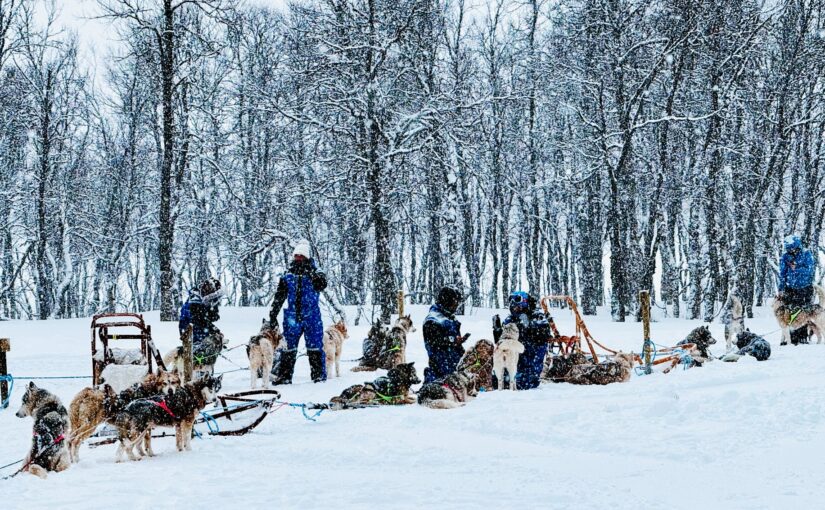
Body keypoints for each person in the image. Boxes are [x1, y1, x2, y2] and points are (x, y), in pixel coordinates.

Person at [268, 239, 328, 384]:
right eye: (296, 256)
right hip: (292, 316)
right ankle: (284, 376)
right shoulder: (287, 275)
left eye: (301, 256)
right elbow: (280, 295)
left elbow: (322, 285)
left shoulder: (316, 273)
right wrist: (273, 313)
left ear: (307, 257)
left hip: (312, 316)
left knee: (315, 347)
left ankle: (318, 376)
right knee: (288, 348)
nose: (298, 258)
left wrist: (313, 274)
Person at [495, 291, 551, 390]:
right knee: (496, 380)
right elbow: (501, 343)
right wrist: (497, 331)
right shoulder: (510, 320)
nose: (514, 305)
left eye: (517, 300)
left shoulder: (538, 316)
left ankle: (528, 377)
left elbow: (543, 338)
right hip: (513, 360)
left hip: (532, 360)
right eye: (511, 301)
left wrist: (529, 327)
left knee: (523, 383)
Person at [422, 285, 468, 384]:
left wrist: (465, 355)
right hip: (441, 366)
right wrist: (452, 341)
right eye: (455, 302)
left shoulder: (450, 318)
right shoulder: (433, 319)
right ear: (447, 301)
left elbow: (455, 341)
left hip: (454, 363)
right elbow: (433, 341)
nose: (457, 305)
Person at [778, 235, 816, 345]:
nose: (790, 251)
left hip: (805, 288)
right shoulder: (785, 257)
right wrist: (781, 289)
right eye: (788, 249)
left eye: (792, 248)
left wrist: (796, 268)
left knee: (803, 312)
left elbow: (809, 270)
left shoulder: (806, 254)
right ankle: (792, 336)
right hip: (790, 289)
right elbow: (783, 273)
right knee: (790, 313)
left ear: (797, 246)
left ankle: (803, 336)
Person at [179, 278, 223, 345]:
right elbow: (199, 320)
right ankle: (198, 347)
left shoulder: (208, 302)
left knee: (213, 338)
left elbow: (211, 317)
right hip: (189, 328)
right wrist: (214, 331)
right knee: (204, 340)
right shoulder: (194, 300)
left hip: (201, 326)